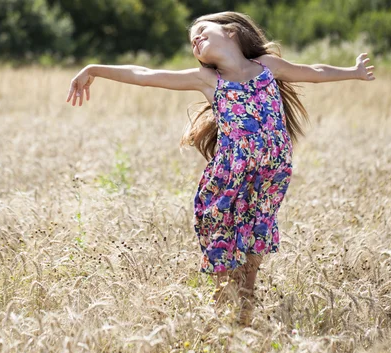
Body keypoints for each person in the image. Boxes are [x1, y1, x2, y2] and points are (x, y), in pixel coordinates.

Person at [67, 11, 375, 327]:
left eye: (201, 31)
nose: (196, 40)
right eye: (192, 42)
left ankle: (243, 315)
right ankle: (221, 313)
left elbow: (313, 71)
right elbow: (144, 73)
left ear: (229, 32)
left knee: (255, 242)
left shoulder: (267, 67)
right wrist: (94, 69)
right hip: (228, 178)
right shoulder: (208, 80)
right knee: (224, 247)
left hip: (270, 175)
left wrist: (353, 72)